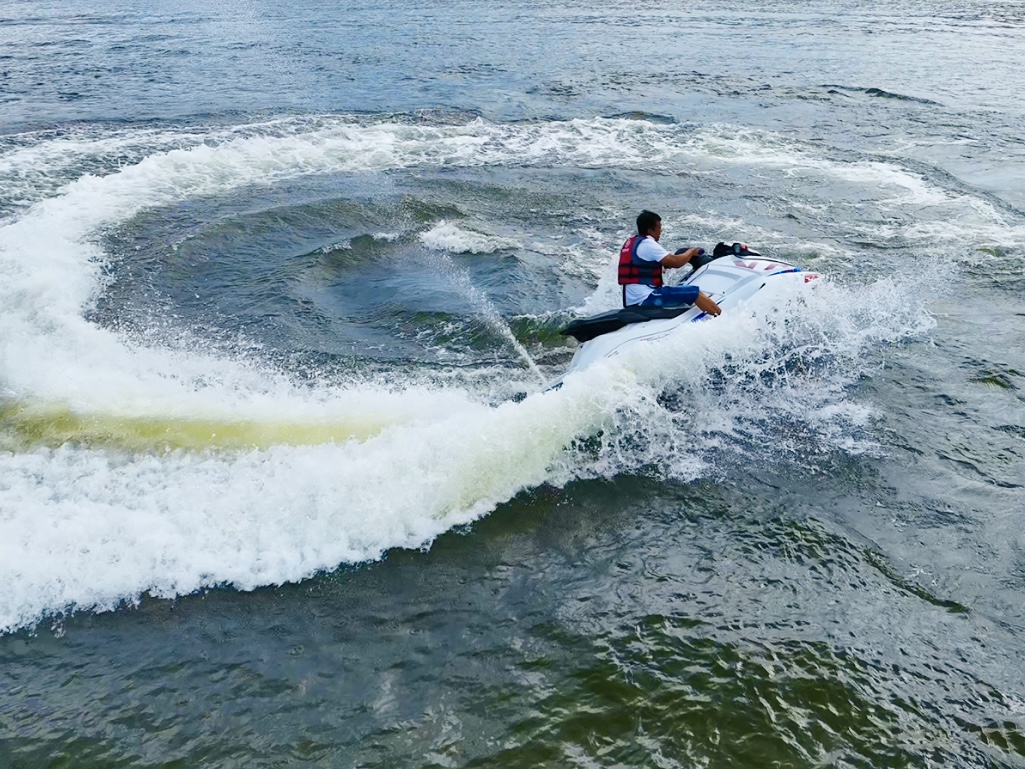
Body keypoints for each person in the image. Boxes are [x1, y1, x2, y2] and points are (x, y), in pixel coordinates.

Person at [617, 210, 721, 316]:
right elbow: (676, 262)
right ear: (650, 230)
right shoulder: (648, 243)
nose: (660, 231)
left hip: (633, 300)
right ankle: (719, 317)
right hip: (646, 299)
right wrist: (691, 252)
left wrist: (664, 264)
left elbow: (642, 264)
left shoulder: (633, 242)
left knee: (684, 292)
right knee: (694, 292)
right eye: (658, 227)